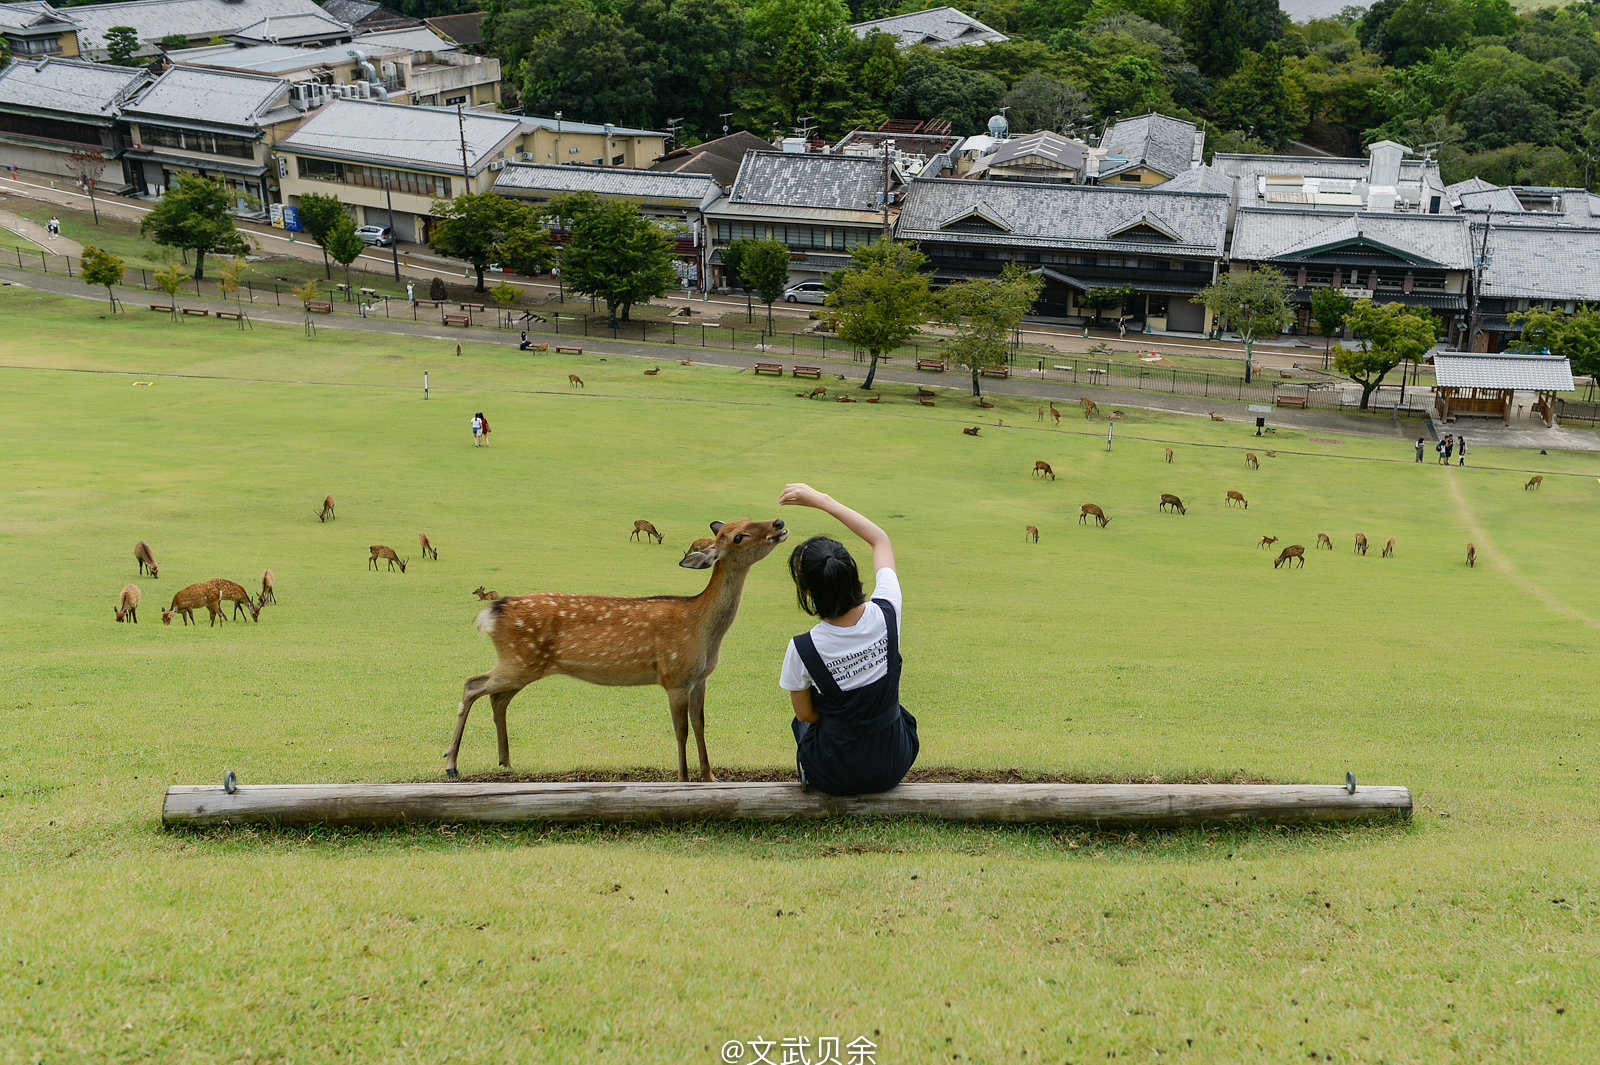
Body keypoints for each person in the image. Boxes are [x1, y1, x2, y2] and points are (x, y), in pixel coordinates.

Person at [777, 484, 918, 796]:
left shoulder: (802, 649)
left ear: (809, 593)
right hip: (893, 760)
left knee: (805, 722)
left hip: (834, 774)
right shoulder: (887, 610)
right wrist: (822, 500)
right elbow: (879, 539)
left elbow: (806, 715)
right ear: (853, 575)